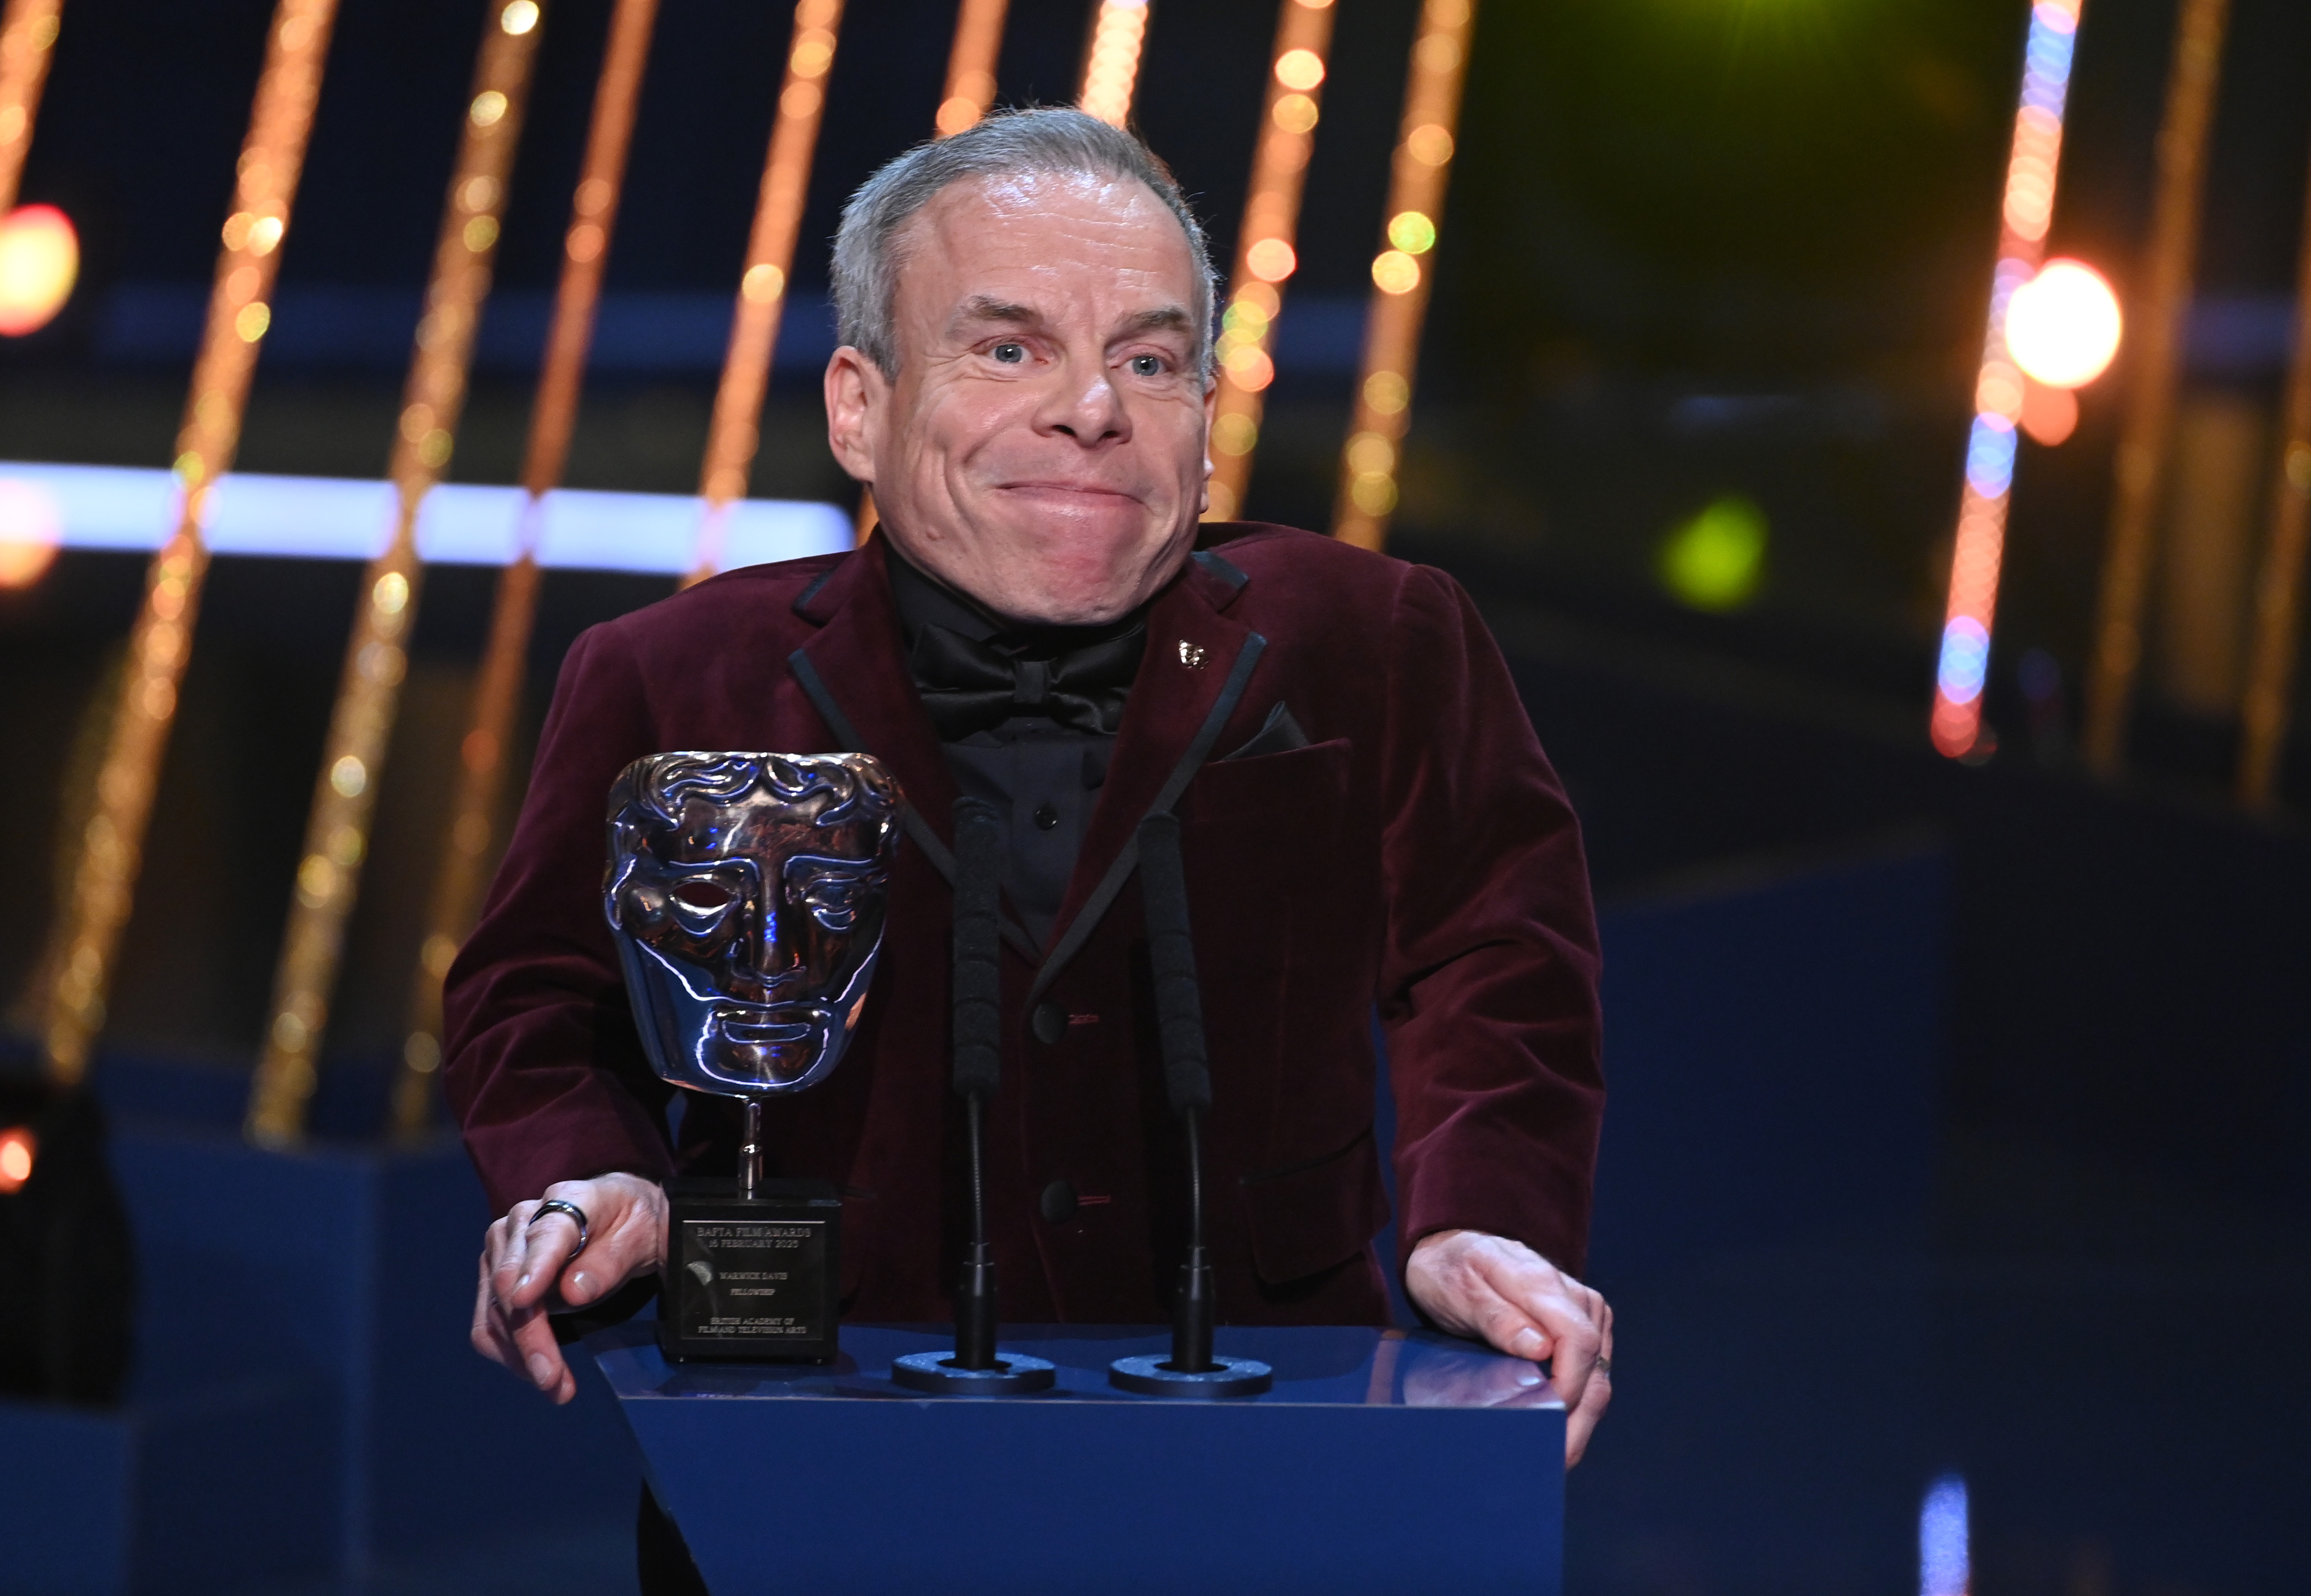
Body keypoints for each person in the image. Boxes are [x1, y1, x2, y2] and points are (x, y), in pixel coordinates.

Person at [446, 108, 1610, 1587]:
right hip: (816, 1462)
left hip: (1269, 1444)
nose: (1091, 410)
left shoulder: (1380, 639)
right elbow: (531, 1001)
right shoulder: (670, 673)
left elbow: (1498, 953)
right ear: (859, 406)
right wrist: (596, 1181)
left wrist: (1481, 1221)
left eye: (1149, 358)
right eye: (1008, 350)